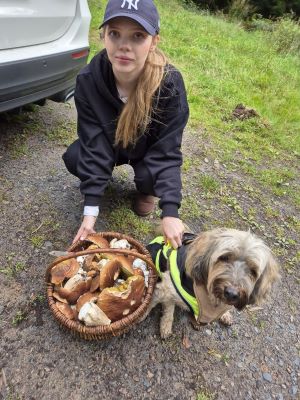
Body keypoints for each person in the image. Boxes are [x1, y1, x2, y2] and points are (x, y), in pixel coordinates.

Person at [63, 0, 189, 249]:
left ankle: (145, 189)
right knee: (75, 157)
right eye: (114, 34)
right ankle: (101, 179)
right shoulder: (88, 80)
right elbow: (93, 143)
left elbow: (167, 151)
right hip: (110, 145)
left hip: (148, 152)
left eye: (138, 36)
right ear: (103, 37)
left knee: (151, 178)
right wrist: (91, 210)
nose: (124, 46)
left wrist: (170, 212)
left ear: (154, 42)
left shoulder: (170, 85)